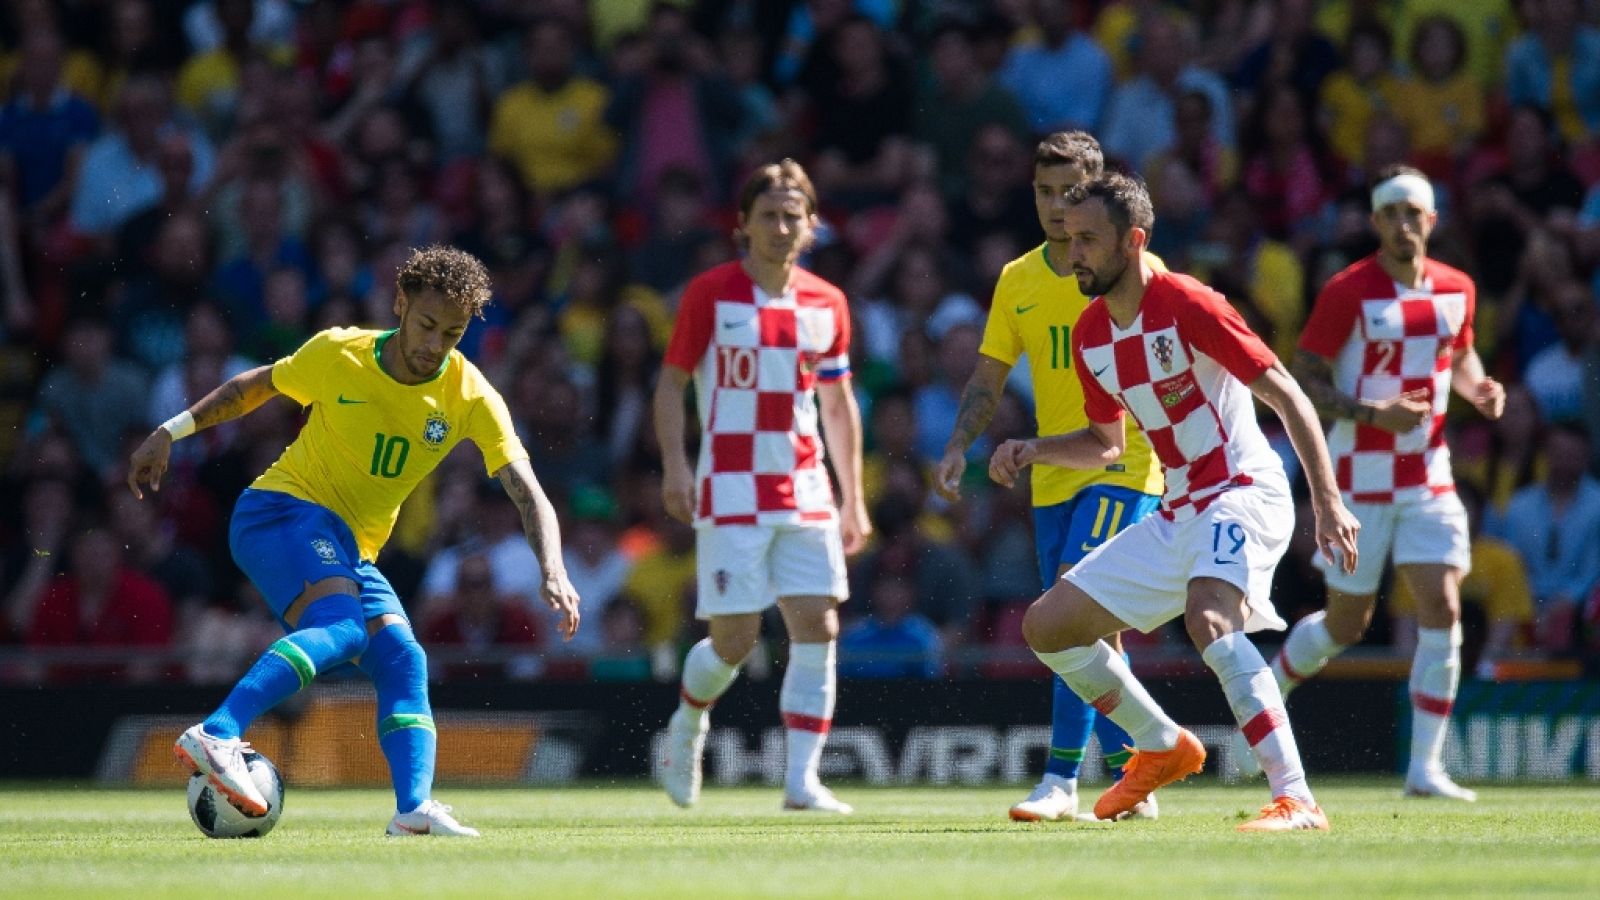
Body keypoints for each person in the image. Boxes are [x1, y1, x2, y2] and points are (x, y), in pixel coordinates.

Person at [127, 246, 581, 836]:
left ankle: (412, 809)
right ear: (400, 305)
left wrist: (554, 567)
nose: (435, 344)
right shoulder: (340, 352)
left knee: (402, 658)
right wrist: (172, 430)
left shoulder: (470, 395)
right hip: (281, 511)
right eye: (425, 325)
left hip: (348, 548)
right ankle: (218, 732)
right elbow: (254, 388)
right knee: (343, 630)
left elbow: (530, 494)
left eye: (453, 332)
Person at [990, 173, 1360, 832]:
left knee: (1209, 618)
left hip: (1243, 489)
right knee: (1048, 627)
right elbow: (1106, 444)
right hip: (1179, 508)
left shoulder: (1190, 303)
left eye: (1088, 240)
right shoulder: (1091, 336)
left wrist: (1327, 501)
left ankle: (1296, 796)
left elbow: (1287, 394)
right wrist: (1034, 448)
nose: (1073, 253)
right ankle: (1161, 745)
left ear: (1133, 242)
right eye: (1069, 239)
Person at [935, 132, 1165, 824]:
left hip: (1123, 464)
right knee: (1093, 633)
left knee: (1065, 619)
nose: (1057, 207)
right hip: (1054, 476)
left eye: (1070, 191)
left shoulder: (1131, 267)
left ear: (1097, 189)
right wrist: (956, 449)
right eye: (1043, 191)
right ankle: (1141, 769)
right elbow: (988, 376)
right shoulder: (1019, 279)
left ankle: (1061, 781)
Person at [1259, 165, 1505, 801]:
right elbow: (1302, 380)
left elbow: (1463, 352)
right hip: (1356, 479)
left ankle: (1425, 768)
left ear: (1432, 219)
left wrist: (1478, 386)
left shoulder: (1458, 288)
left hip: (1428, 474)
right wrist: (1375, 415)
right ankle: (1273, 684)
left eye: (1412, 211)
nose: (1401, 223)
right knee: (1346, 626)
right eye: (1389, 212)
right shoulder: (1347, 291)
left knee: (1443, 606)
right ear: (1375, 223)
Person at [653, 159, 870, 814]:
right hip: (731, 491)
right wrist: (676, 465)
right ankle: (687, 727)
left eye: (792, 216)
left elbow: (838, 406)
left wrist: (852, 495)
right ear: (742, 225)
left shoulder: (827, 303)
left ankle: (802, 782)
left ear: (810, 227)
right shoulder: (710, 294)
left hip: (806, 488)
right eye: (768, 215)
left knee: (819, 625)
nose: (781, 227)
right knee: (735, 641)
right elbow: (670, 384)